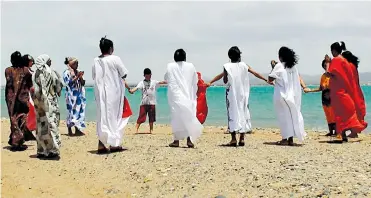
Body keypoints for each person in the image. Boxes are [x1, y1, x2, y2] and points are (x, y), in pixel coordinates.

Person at [207, 46, 270, 146]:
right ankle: (242, 138)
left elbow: (224, 79)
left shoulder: (227, 66)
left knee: (232, 113)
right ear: (239, 56)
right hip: (243, 93)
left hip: (232, 93)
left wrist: (210, 82)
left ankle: (233, 139)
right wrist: (266, 80)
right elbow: (255, 73)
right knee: (243, 112)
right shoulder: (244, 65)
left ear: (229, 56)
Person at [92, 37, 129, 153]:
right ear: (111, 48)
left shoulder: (95, 60)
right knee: (115, 116)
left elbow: (94, 76)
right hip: (114, 92)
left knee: (103, 116)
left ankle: (101, 143)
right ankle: (114, 144)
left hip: (100, 93)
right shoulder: (115, 59)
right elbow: (124, 74)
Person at [328, 41, 367, 142]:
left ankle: (341, 135)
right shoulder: (345, 62)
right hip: (345, 91)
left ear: (333, 50)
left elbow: (330, 73)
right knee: (344, 112)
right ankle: (344, 134)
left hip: (338, 91)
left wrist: (328, 63)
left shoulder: (336, 60)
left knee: (338, 112)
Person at [164, 49, 203, 148]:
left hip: (176, 96)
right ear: (185, 57)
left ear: (174, 58)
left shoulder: (170, 66)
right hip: (189, 96)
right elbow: (195, 80)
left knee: (176, 117)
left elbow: (167, 78)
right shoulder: (191, 66)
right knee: (189, 116)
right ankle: (189, 140)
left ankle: (176, 141)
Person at [268, 47, 306, 146]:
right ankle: (290, 139)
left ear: (280, 56)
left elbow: (270, 79)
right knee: (292, 116)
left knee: (283, 117)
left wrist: (273, 66)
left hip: (282, 95)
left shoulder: (279, 66)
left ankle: (285, 138)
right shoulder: (293, 67)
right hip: (293, 95)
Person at [31, 54, 63, 159]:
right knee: (52, 124)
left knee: (41, 126)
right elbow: (58, 86)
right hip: (50, 103)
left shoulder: (35, 73)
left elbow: (34, 90)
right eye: (49, 60)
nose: (51, 62)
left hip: (39, 104)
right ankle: (53, 149)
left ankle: (42, 150)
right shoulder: (50, 72)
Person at [4, 51, 35, 151]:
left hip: (11, 98)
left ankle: (15, 140)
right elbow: (30, 85)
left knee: (13, 118)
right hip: (23, 97)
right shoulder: (26, 71)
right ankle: (18, 140)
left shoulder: (8, 70)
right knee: (22, 118)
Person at [305, 55, 336, 136]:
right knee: (328, 115)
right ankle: (331, 131)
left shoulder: (334, 76)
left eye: (327, 65)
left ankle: (336, 131)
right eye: (324, 65)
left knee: (334, 114)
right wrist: (310, 90)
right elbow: (320, 88)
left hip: (333, 98)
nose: (326, 67)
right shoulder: (323, 76)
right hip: (324, 99)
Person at [129, 68, 166, 134]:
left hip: (152, 102)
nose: (148, 76)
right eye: (147, 75)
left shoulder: (154, 82)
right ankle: (136, 129)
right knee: (141, 117)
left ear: (151, 75)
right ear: (144, 75)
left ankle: (151, 130)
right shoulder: (141, 83)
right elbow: (136, 88)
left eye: (149, 75)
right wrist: (132, 91)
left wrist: (170, 81)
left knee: (151, 117)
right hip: (144, 103)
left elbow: (161, 82)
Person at [63, 57, 86, 136]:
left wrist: (80, 77)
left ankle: (77, 129)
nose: (77, 65)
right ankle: (69, 129)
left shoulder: (78, 71)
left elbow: (83, 83)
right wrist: (76, 77)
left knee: (78, 112)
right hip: (71, 95)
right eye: (75, 63)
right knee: (71, 112)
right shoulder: (66, 72)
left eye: (77, 63)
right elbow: (68, 83)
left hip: (79, 95)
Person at [22, 54, 37, 132]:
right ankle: (29, 127)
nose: (32, 62)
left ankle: (31, 127)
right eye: (30, 61)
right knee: (31, 109)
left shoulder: (29, 70)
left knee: (32, 109)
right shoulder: (24, 71)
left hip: (32, 93)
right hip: (27, 93)